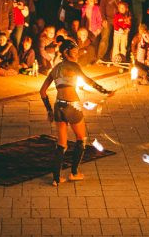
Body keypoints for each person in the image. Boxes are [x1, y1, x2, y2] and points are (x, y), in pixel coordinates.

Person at [39, 37, 113, 186]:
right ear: (66, 52)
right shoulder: (73, 66)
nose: (77, 53)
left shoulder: (55, 69)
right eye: (74, 50)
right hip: (72, 106)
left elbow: (42, 91)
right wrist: (105, 91)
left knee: (62, 145)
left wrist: (48, 110)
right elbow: (88, 81)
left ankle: (56, 179)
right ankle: (74, 173)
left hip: (58, 106)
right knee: (81, 139)